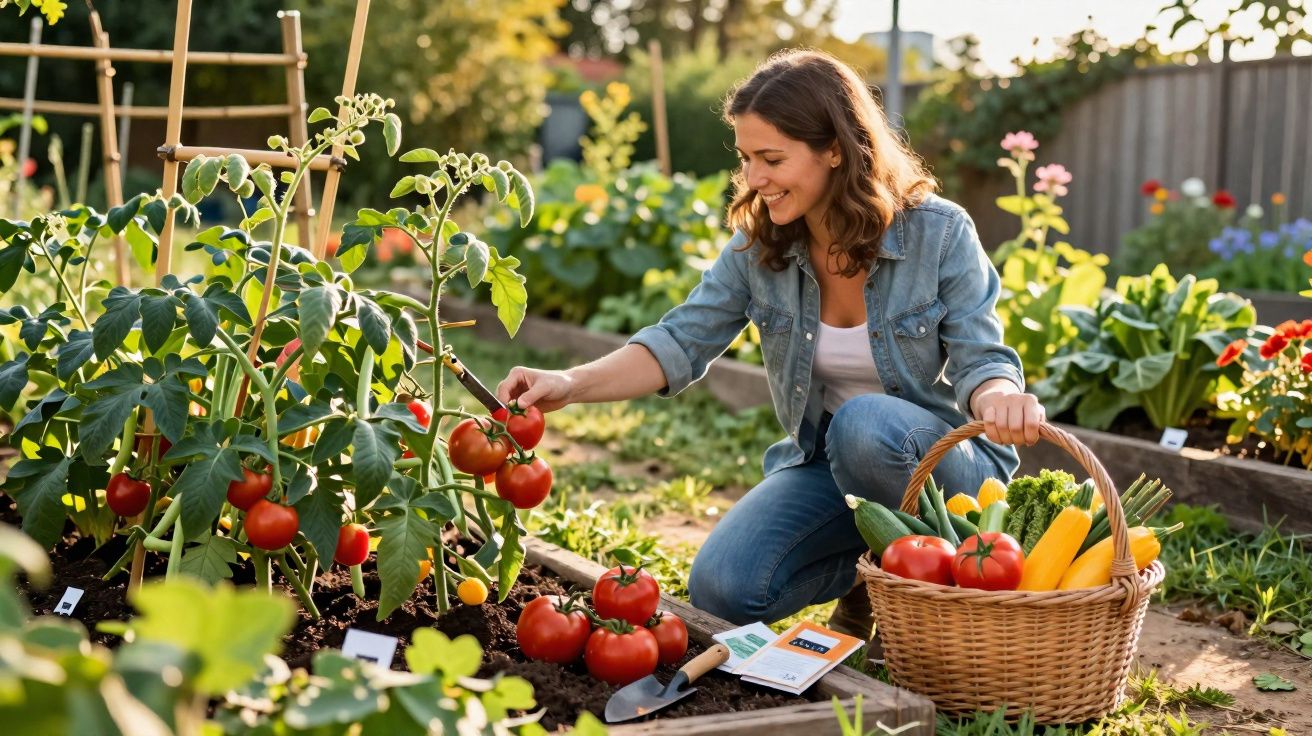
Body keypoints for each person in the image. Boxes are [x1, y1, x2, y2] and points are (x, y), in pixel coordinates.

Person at [495, 49, 1045, 640]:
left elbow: (981, 355)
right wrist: (570, 384)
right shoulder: (762, 248)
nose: (754, 179)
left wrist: (997, 396)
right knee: (723, 588)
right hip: (831, 469)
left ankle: (924, 609)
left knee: (861, 424)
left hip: (949, 475)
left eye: (772, 159)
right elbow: (679, 340)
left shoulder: (938, 233)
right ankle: (872, 575)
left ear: (835, 148)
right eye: (747, 158)